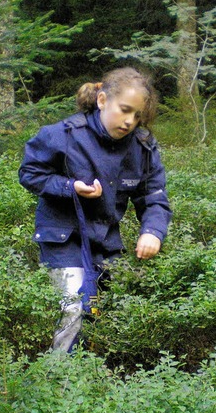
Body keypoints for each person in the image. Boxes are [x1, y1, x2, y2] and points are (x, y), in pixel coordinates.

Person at [19, 67, 172, 352]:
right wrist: (70, 187)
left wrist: (152, 232)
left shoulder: (143, 147)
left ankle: (91, 379)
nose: (129, 121)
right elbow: (29, 173)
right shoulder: (62, 135)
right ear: (102, 100)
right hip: (63, 237)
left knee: (99, 312)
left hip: (105, 242)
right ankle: (59, 379)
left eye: (138, 116)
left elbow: (154, 196)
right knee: (73, 306)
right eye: (124, 110)